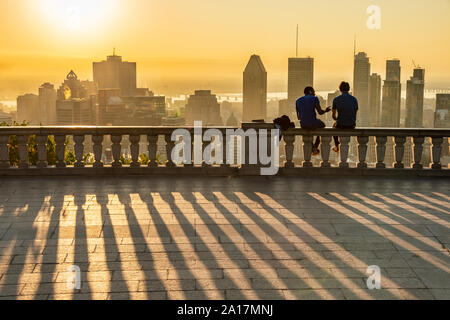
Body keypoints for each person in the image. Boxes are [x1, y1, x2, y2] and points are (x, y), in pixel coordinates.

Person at [296, 86, 331, 155]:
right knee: (322, 125)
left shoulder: (298, 100)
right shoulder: (314, 99)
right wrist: (326, 110)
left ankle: (312, 146)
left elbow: (298, 117)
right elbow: (320, 112)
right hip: (313, 122)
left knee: (307, 129)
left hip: (303, 124)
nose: (315, 93)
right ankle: (315, 146)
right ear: (310, 91)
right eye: (314, 92)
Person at [331, 81, 358, 152]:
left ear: (340, 89)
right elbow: (354, 113)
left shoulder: (336, 100)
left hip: (341, 124)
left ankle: (337, 145)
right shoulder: (354, 99)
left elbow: (333, 116)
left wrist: (338, 119)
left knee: (334, 125)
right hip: (351, 125)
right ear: (349, 89)